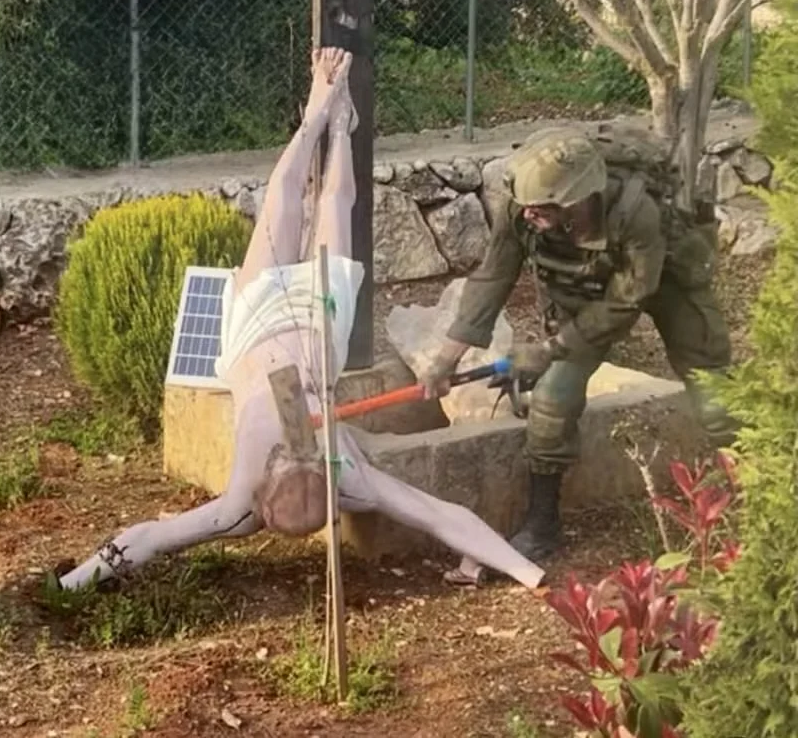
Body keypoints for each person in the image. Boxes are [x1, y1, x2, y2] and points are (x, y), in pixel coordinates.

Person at [54, 47, 545, 593]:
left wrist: (73, 582)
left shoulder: (255, 503)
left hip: (254, 328)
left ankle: (323, 116)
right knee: (331, 205)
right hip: (315, 326)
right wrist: (530, 574)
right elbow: (441, 515)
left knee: (285, 203)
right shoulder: (343, 483)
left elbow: (150, 537)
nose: (297, 449)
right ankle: (333, 123)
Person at [421, 124, 734, 571]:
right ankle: (542, 525)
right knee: (552, 397)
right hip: (586, 294)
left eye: (542, 207)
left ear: (578, 199)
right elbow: (492, 277)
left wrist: (549, 348)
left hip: (665, 281)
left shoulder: (636, 212)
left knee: (713, 390)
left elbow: (628, 299)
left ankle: (754, 491)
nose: (530, 213)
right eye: (527, 205)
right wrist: (445, 359)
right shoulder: (521, 208)